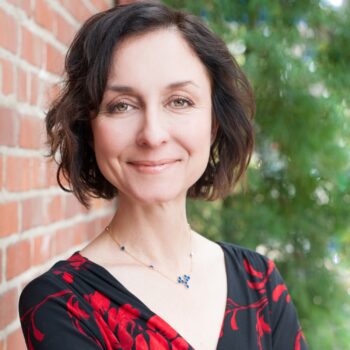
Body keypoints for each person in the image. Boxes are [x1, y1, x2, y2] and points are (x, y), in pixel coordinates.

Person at [18, 2, 307, 349]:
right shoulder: (61, 303)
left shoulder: (259, 282)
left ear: (213, 123)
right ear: (89, 128)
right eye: (121, 105)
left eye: (180, 101)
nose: (153, 135)